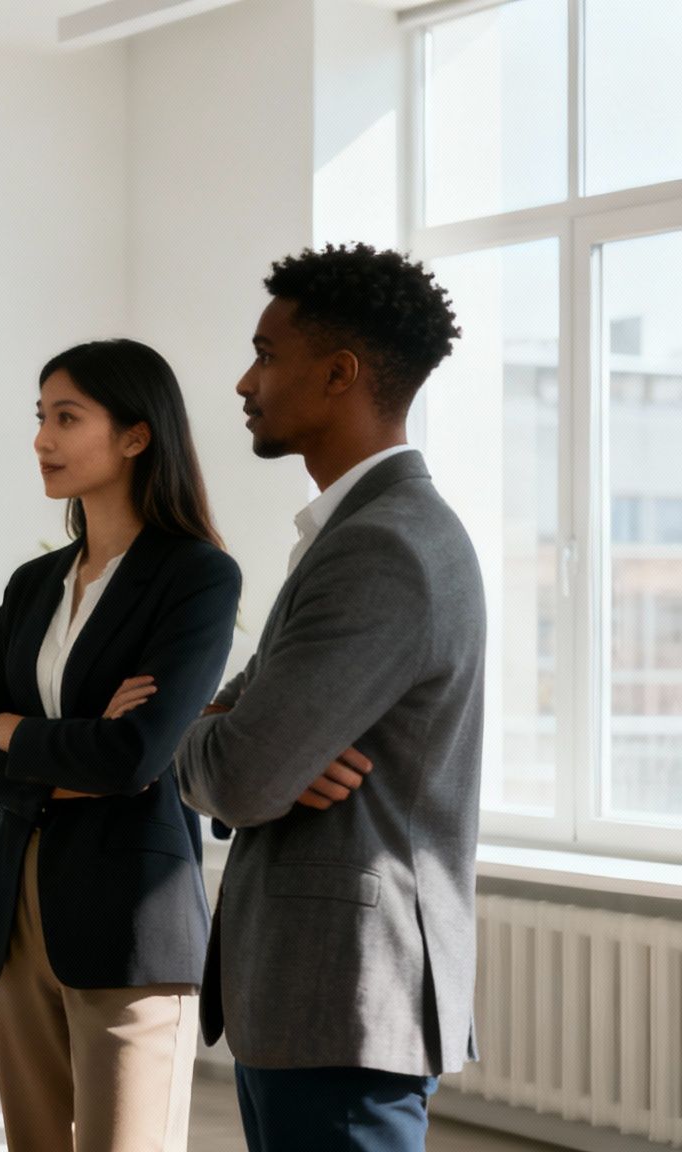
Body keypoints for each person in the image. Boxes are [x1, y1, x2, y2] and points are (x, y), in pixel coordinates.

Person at [175, 243, 480, 1152]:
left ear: (340, 373)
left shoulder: (382, 545)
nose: (245, 381)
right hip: (317, 999)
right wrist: (242, 737)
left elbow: (243, 776)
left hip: (342, 997)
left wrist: (214, 737)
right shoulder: (359, 530)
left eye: (266, 355)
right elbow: (247, 737)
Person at [0, 339, 241, 1152]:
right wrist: (70, 750)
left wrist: (17, 734)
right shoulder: (32, 585)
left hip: (131, 919)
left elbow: (134, 757)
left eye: (67, 418)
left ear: (136, 435)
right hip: (16, 910)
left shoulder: (197, 577)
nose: (42, 438)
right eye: (41, 417)